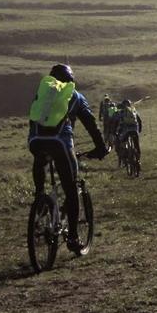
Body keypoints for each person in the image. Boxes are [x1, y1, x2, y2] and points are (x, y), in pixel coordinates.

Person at [28, 63, 106, 252]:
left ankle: (39, 200)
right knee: (71, 190)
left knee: (41, 159)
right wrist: (101, 148)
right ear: (71, 80)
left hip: (35, 141)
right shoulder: (75, 96)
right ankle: (73, 237)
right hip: (60, 144)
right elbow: (91, 124)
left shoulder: (44, 93)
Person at [115, 98, 143, 166]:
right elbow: (139, 121)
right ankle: (138, 160)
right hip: (134, 130)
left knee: (122, 142)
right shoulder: (133, 111)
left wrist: (116, 130)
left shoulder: (121, 112)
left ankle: (125, 155)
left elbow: (116, 121)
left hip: (126, 131)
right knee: (136, 145)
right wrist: (139, 130)